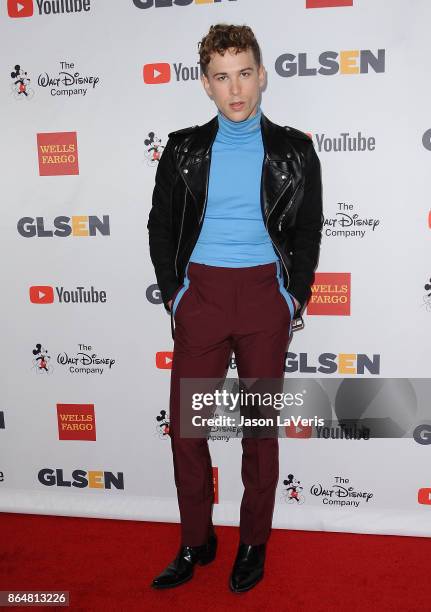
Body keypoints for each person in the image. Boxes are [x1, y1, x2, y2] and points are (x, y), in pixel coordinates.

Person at [147, 23, 323, 593]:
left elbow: (306, 230)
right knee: (187, 431)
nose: (236, 88)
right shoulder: (182, 150)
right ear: (206, 85)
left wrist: (292, 295)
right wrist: (176, 294)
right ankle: (197, 540)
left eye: (245, 72)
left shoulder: (295, 151)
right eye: (222, 77)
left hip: (261, 301)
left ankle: (252, 542)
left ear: (262, 75)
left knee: (258, 430)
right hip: (200, 296)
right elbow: (162, 226)